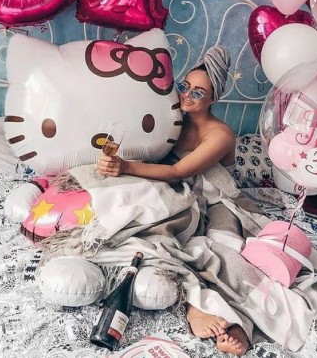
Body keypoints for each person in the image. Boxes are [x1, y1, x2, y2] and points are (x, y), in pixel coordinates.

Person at [96, 46, 250, 356]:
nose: (187, 96)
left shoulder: (220, 134)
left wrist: (125, 166)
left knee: (219, 254)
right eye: (185, 86)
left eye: (199, 92)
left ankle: (231, 321)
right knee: (135, 220)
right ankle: (192, 304)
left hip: (214, 198)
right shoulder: (171, 118)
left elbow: (179, 171)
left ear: (214, 99)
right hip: (175, 187)